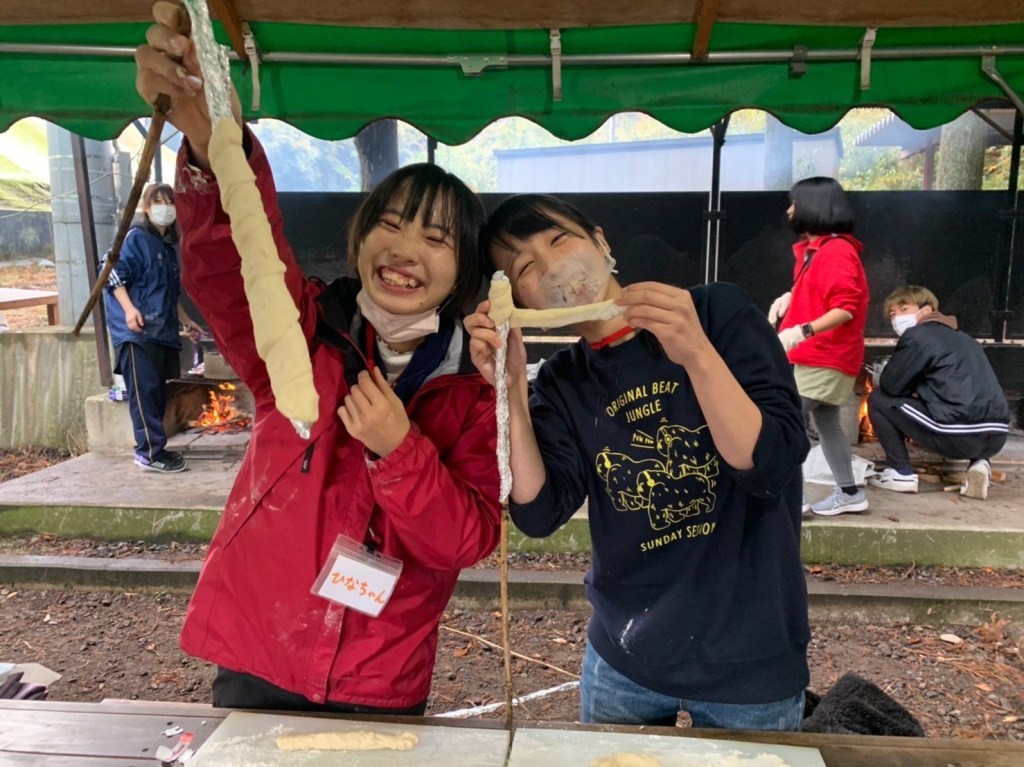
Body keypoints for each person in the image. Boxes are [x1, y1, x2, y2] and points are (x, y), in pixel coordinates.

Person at [135, 4, 500, 714]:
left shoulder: (472, 390)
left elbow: (465, 539)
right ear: (361, 238)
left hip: (380, 672)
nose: (406, 250)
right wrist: (215, 147)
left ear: (464, 272)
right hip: (261, 648)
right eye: (389, 224)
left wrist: (399, 449)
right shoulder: (305, 333)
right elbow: (240, 267)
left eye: (436, 239)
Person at [466, 194, 810, 730]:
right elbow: (538, 511)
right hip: (624, 661)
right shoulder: (562, 380)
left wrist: (696, 353)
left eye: (559, 240)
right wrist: (510, 387)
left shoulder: (716, 314)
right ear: (519, 298)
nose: (553, 267)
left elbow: (770, 466)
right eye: (525, 267)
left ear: (601, 240)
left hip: (752, 657)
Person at [770, 177, 869, 517]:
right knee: (827, 424)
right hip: (820, 356)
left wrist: (803, 331)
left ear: (814, 206)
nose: (789, 210)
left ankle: (793, 499)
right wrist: (791, 296)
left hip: (826, 355)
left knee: (783, 421)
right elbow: (824, 295)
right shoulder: (816, 249)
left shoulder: (836, 251)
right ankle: (850, 493)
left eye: (794, 203)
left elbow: (846, 308)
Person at [867, 286, 1009, 500]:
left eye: (904, 309)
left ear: (927, 309)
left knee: (879, 400)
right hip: (997, 436)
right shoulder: (966, 339)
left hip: (957, 435)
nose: (897, 318)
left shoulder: (918, 335)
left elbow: (891, 386)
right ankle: (980, 463)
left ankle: (900, 473)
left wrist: (912, 390)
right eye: (893, 314)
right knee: (969, 414)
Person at [103, 182, 201, 473]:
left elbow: (169, 294)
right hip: (136, 333)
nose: (165, 208)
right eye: (158, 202)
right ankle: (148, 453)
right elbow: (110, 272)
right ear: (146, 208)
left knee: (156, 393)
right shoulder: (135, 238)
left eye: (170, 203)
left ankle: (157, 450)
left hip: (160, 331)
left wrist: (187, 320)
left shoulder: (167, 248)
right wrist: (129, 310)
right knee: (144, 393)